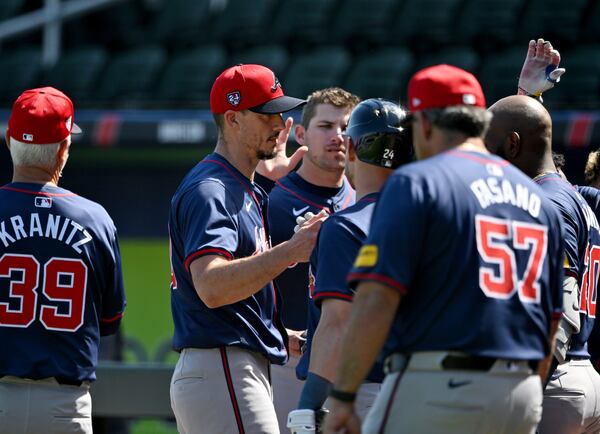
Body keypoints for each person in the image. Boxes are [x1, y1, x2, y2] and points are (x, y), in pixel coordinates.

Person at [323, 65, 565, 434]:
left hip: (439, 387)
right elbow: (551, 321)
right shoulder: (539, 200)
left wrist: (342, 395)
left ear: (424, 125)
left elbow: (376, 299)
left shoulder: (418, 182)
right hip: (520, 392)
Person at [168, 64, 327, 434]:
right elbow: (211, 286)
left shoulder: (241, 185)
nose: (278, 122)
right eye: (266, 113)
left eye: (280, 111)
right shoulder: (213, 189)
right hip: (222, 364)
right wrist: (292, 250)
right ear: (233, 119)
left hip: (229, 365)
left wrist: (272, 332)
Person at [0, 87, 127, 434]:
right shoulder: (94, 219)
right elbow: (110, 321)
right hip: (63, 406)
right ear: (63, 150)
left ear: (10, 141)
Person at [286, 98, 413, 433]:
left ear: (352, 147)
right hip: (428, 389)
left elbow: (338, 324)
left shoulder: (346, 226)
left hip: (363, 394)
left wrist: (309, 405)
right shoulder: (435, 220)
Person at [486, 95, 600, 434]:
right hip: (581, 374)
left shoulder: (546, 201)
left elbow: (561, 308)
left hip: (554, 380)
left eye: (488, 144)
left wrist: (529, 389)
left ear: (511, 144)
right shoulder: (570, 195)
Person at [264, 87, 359, 430]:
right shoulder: (274, 200)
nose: (338, 137)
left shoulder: (362, 201)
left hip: (352, 365)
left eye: (346, 127)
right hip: (287, 361)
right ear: (301, 134)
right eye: (326, 126)